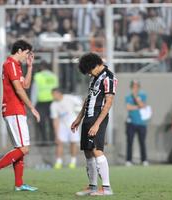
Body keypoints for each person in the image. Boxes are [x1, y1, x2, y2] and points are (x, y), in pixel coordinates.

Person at [0, 40, 40, 192]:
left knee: (20, 148)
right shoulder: (10, 64)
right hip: (14, 109)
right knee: (24, 149)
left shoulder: (17, 66)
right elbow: (20, 90)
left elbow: (26, 86)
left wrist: (29, 67)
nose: (28, 56)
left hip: (16, 110)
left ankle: (19, 184)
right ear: (20, 50)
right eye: (27, 53)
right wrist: (32, 108)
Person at [71, 53, 117, 196]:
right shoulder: (95, 78)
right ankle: (92, 186)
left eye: (90, 70)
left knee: (97, 150)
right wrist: (79, 117)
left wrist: (97, 124)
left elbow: (109, 102)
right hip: (88, 117)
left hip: (98, 117)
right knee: (88, 151)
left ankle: (106, 188)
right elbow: (89, 98)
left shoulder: (109, 77)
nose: (89, 73)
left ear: (97, 65)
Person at [51, 88, 82, 169]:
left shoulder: (69, 98)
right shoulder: (53, 105)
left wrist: (79, 110)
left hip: (73, 123)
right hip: (62, 125)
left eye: (54, 94)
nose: (53, 96)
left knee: (73, 142)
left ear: (59, 93)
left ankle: (73, 161)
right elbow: (55, 119)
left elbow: (81, 103)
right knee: (59, 143)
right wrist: (56, 134)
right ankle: (58, 162)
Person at [31, 61, 59, 144]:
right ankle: (53, 139)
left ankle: (44, 140)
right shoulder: (54, 76)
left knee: (41, 122)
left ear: (41, 68)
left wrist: (33, 104)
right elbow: (56, 89)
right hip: (53, 101)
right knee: (52, 121)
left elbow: (34, 91)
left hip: (41, 102)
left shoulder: (38, 76)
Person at [125, 80, 149, 167]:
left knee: (142, 142)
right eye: (133, 86)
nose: (135, 87)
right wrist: (138, 106)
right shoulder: (128, 96)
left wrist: (136, 97)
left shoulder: (142, 94)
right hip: (131, 122)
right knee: (130, 142)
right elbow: (128, 107)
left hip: (141, 123)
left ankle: (144, 160)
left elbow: (143, 105)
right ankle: (128, 160)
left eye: (136, 86)